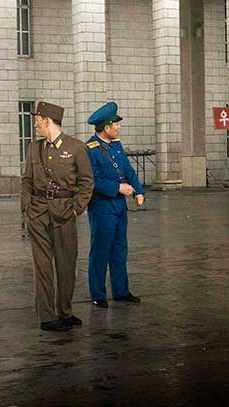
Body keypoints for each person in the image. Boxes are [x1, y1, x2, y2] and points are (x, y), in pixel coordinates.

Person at [20, 101, 94, 331]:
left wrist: (75, 209)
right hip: (38, 213)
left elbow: (87, 182)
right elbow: (26, 180)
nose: (35, 124)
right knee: (42, 267)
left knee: (66, 265)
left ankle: (65, 311)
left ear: (48, 121)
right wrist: (27, 207)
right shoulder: (34, 148)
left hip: (64, 213)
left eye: (38, 120)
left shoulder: (76, 148)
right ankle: (47, 317)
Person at [85, 102, 144, 309]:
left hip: (119, 207)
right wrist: (118, 188)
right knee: (101, 250)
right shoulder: (90, 149)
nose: (119, 128)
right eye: (116, 125)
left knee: (120, 250)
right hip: (102, 207)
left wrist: (138, 190)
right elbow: (93, 181)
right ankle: (98, 294)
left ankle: (121, 291)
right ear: (106, 127)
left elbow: (127, 169)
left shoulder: (116, 144)